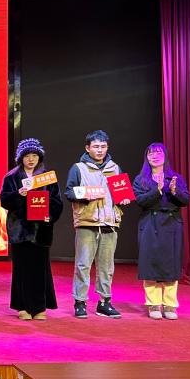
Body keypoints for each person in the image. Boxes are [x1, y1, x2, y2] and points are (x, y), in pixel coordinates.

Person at [64, 130, 125, 320]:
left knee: (107, 266)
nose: (100, 150)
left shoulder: (115, 168)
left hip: (109, 222)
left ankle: (104, 302)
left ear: (107, 147)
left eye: (103, 146)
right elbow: (69, 192)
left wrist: (123, 200)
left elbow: (121, 193)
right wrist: (85, 194)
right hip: (87, 222)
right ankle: (80, 302)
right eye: (96, 146)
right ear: (87, 148)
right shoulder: (78, 168)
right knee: (83, 264)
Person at [0, 139, 64, 320]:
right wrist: (18, 195)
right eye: (27, 156)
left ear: (39, 157)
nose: (31, 159)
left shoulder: (47, 177)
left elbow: (57, 202)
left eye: (34, 155)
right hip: (19, 229)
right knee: (21, 268)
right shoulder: (12, 176)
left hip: (41, 229)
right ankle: (22, 307)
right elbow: (4, 200)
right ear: (21, 158)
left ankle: (39, 307)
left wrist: (49, 216)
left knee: (40, 269)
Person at [133, 143, 190, 320]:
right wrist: (157, 190)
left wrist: (174, 191)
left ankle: (170, 305)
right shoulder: (141, 179)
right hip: (150, 224)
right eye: (151, 153)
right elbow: (140, 201)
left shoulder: (175, 177)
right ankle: (153, 303)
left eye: (158, 153)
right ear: (146, 157)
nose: (154, 156)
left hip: (171, 225)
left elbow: (186, 200)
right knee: (150, 264)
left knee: (170, 265)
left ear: (165, 156)